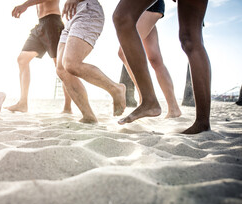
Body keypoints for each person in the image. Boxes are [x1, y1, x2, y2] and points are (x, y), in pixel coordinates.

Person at [113, 0, 211, 134]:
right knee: (182, 44)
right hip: (155, 7)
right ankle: (190, 116)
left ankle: (148, 100)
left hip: (153, 7)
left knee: (123, 18)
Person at [56, 0, 126, 123]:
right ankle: (88, 116)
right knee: (61, 69)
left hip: (86, 11)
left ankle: (116, 88)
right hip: (71, 17)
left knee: (71, 63)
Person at [117, 0, 181, 118]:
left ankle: (145, 99)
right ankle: (174, 108)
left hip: (146, 7)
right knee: (155, 59)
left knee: (123, 52)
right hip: (145, 8)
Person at [6, 0, 72, 113]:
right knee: (22, 59)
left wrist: (25, 5)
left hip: (52, 22)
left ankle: (67, 107)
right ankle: (23, 103)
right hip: (41, 25)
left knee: (60, 67)